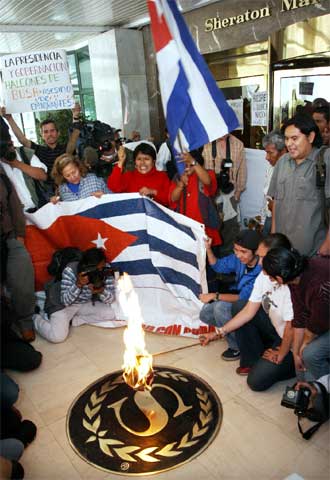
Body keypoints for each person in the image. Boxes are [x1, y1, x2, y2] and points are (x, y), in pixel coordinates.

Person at [200, 234, 296, 391]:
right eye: (259, 256)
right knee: (239, 306)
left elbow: (293, 327)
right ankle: (254, 356)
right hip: (277, 331)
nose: (259, 262)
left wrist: (283, 352)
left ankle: (290, 366)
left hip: (293, 342)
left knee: (256, 382)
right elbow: (247, 312)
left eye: (263, 257)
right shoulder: (264, 276)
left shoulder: (292, 284)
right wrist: (217, 333)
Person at [262, 248, 330, 382]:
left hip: (323, 320)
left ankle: (322, 390)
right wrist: (296, 353)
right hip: (321, 318)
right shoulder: (295, 275)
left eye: (270, 277)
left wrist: (303, 346)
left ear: (280, 279)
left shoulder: (319, 286)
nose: (270, 279)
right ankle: (306, 386)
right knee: (301, 366)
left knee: (310, 354)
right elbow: (299, 316)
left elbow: (316, 326)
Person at [268, 114, 330, 256]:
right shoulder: (283, 161)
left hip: (313, 253)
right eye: (287, 138)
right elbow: (276, 200)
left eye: (295, 138)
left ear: (310, 137)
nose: (289, 144)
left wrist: (327, 245)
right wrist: (273, 237)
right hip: (283, 252)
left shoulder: (325, 160)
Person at [199, 229, 261, 361]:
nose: (238, 255)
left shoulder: (261, 271)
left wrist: (215, 296)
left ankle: (237, 347)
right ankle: (235, 330)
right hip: (241, 300)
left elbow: (242, 298)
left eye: (243, 251)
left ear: (256, 252)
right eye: (236, 250)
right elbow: (218, 266)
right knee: (204, 314)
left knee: (220, 307)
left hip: (255, 307)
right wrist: (208, 249)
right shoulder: (238, 259)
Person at [33, 248, 117, 343]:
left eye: (101, 268)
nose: (99, 272)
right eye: (96, 270)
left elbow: (110, 300)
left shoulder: (105, 270)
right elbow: (65, 301)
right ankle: (34, 317)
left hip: (84, 302)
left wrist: (101, 291)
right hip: (61, 304)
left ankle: (73, 321)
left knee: (110, 313)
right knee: (57, 337)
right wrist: (78, 284)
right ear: (86, 266)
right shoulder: (71, 269)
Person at [0, 104, 81, 193]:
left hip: (70, 187)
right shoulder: (38, 150)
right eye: (45, 132)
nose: (49, 134)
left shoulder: (66, 148)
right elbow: (22, 140)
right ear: (42, 135)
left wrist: (76, 116)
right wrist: (9, 119)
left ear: (58, 133)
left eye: (52, 130)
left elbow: (74, 137)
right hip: (48, 193)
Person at [0, 167, 36, 342]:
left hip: (8, 237)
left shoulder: (3, 179)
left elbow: (14, 207)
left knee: (23, 275)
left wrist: (20, 234)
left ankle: (25, 321)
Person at [203, 133, 247, 255]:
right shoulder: (206, 144)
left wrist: (238, 192)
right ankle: (214, 258)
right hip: (211, 193)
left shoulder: (238, 144)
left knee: (231, 228)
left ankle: (228, 258)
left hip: (230, 192)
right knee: (212, 227)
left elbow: (242, 170)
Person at [169, 149, 221, 248]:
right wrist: (180, 186)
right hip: (185, 231)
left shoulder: (207, 174)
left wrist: (192, 161)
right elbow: (173, 199)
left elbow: (208, 181)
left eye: (191, 164)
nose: (187, 167)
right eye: (184, 164)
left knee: (208, 261)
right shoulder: (178, 177)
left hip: (206, 232)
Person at [0, 117, 48, 212]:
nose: (7, 150)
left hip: (40, 209)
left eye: (8, 146)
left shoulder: (24, 153)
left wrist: (16, 163)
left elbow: (43, 176)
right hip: (16, 216)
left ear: (11, 142)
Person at [107, 142, 171, 206]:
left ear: (153, 162)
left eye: (146, 159)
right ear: (135, 162)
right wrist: (121, 162)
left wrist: (153, 192)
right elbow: (113, 187)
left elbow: (170, 199)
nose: (142, 163)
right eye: (139, 159)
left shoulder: (162, 176)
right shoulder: (129, 176)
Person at [260, 131, 287, 235]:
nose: (266, 157)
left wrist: (276, 206)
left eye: (270, 153)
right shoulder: (270, 168)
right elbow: (265, 196)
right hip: (269, 219)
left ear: (283, 151)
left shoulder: (291, 172)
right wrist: (263, 220)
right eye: (266, 152)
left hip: (282, 223)